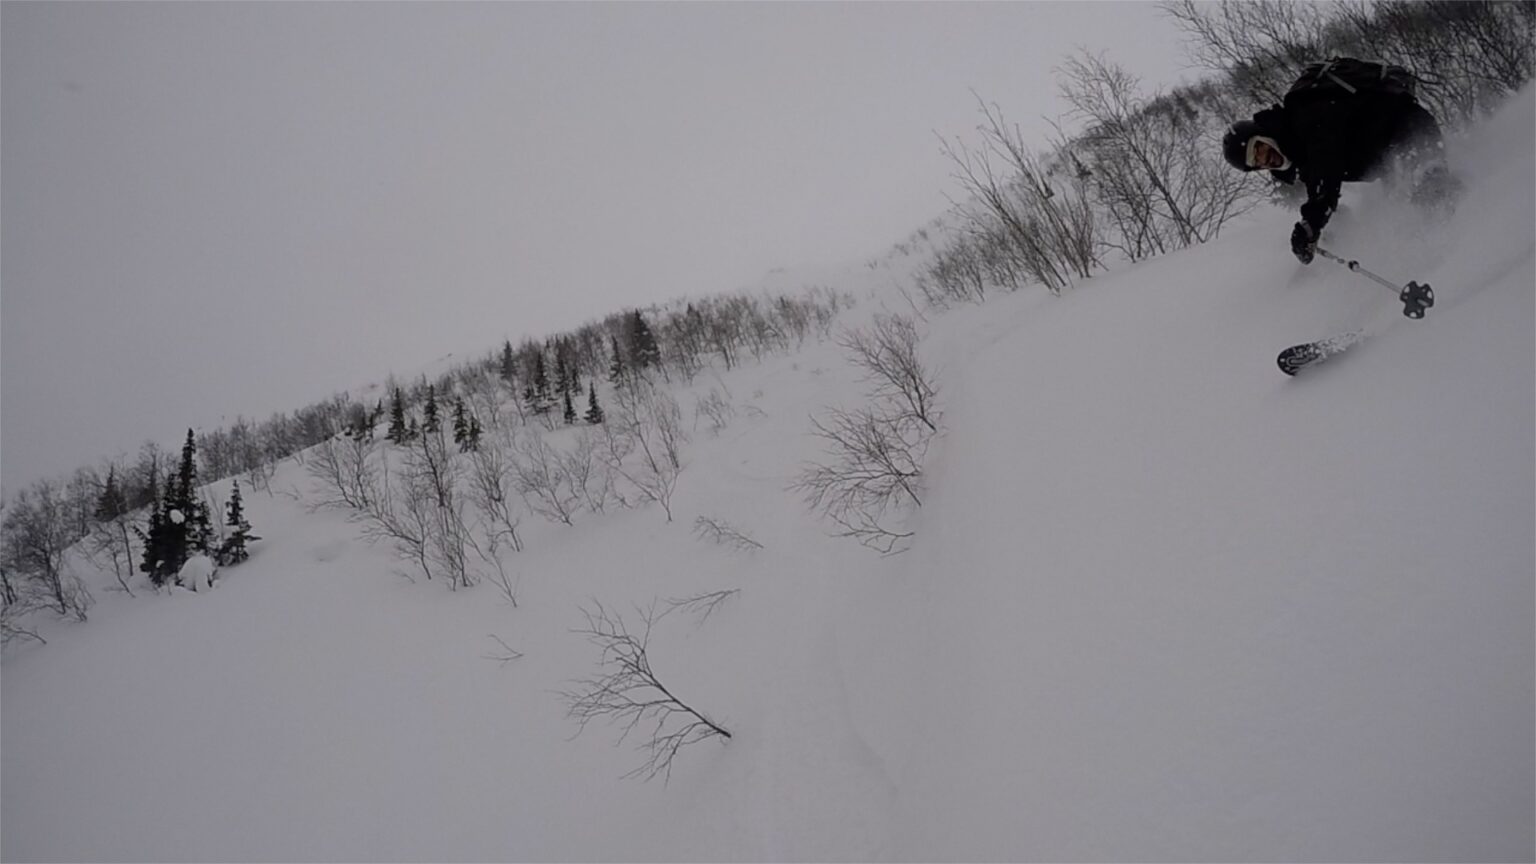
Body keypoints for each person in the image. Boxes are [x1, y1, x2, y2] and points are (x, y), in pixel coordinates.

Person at [1222, 57, 1458, 265]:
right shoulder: (1302, 156)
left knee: (1435, 193)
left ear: (1264, 134)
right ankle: (1438, 264)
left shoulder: (1306, 116)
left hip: (1410, 131)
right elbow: (1321, 184)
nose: (1265, 160)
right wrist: (1326, 232)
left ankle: (1471, 247)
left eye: (1258, 149)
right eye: (1255, 163)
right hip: (1392, 159)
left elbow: (1326, 167)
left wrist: (1311, 222)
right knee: (1406, 213)